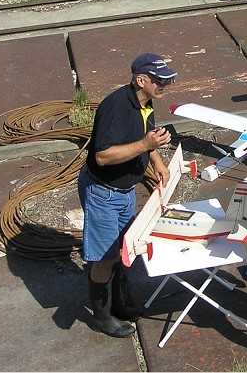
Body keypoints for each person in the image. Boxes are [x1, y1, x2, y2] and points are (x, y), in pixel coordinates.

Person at [78, 53, 176, 338]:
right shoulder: (116, 108)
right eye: (159, 80)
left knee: (122, 249)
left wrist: (157, 162)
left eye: (166, 80)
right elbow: (103, 157)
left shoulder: (145, 103)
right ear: (140, 79)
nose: (164, 85)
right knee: (105, 256)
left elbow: (149, 137)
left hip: (124, 190)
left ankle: (116, 304)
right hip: (103, 193)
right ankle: (101, 316)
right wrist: (145, 143)